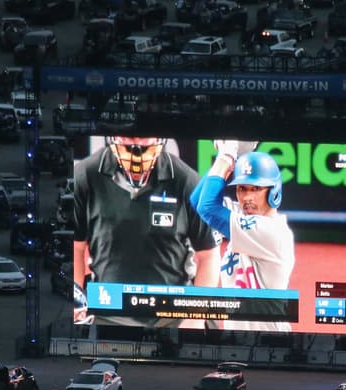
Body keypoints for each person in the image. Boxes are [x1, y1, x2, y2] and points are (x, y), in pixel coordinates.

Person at [71, 137, 220, 326]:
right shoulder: (85, 174)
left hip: (172, 311)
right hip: (108, 310)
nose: (137, 153)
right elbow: (76, 248)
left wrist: (195, 316)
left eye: (145, 145)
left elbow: (209, 256)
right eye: (129, 144)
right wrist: (76, 300)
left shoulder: (186, 180)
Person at [190, 144, 298, 331]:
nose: (247, 197)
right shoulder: (244, 216)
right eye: (241, 189)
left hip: (271, 344)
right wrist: (228, 159)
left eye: (255, 189)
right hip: (241, 342)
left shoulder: (272, 232)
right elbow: (196, 202)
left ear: (273, 191)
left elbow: (207, 208)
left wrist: (226, 156)